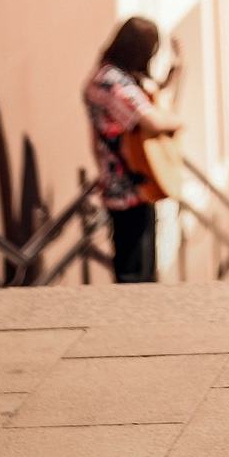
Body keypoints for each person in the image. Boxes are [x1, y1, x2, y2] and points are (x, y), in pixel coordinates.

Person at [85, 16, 180, 284]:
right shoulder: (112, 83)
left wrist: (176, 72)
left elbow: (154, 106)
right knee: (134, 276)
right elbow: (153, 121)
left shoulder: (114, 78)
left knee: (144, 272)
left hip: (137, 189)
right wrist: (179, 123)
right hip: (125, 191)